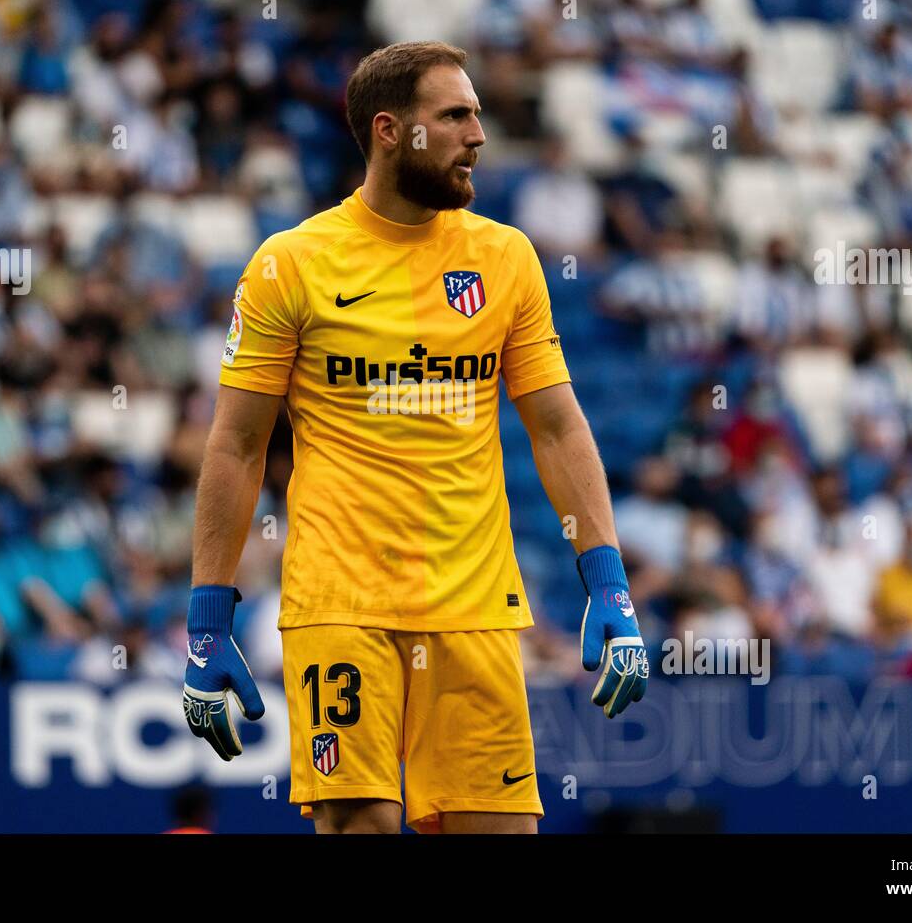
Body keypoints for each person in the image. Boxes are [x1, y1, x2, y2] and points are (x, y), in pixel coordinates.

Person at [180, 41, 648, 835]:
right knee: (362, 826)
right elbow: (235, 447)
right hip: (342, 600)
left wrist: (609, 585)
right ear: (393, 131)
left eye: (477, 114)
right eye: (456, 115)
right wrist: (205, 622)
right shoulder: (290, 265)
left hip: (475, 607)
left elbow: (559, 425)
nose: (479, 135)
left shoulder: (506, 258)